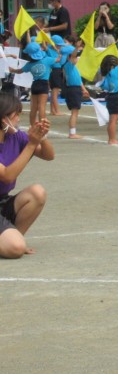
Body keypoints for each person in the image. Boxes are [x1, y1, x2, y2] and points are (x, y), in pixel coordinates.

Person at [0, 93, 54, 258]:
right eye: (16, 114)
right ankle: (11, 241)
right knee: (15, 249)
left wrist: (42, 137)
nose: (18, 118)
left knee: (37, 192)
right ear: (3, 119)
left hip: (2, 200)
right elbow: (7, 176)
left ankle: (15, 236)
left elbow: (48, 155)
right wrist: (31, 143)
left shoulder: (15, 136)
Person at [24, 40, 59, 126]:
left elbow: (19, 71)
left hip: (34, 84)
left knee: (34, 108)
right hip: (43, 84)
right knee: (42, 107)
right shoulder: (46, 60)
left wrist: (11, 69)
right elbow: (59, 60)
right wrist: (57, 50)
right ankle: (41, 127)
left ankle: (32, 127)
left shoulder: (29, 64)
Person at [62, 40, 86, 139]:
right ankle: (72, 132)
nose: (77, 58)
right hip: (73, 89)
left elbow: (79, 80)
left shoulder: (73, 67)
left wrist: (84, 89)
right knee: (74, 112)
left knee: (75, 111)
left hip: (75, 88)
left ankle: (72, 131)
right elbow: (73, 56)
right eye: (76, 56)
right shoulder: (69, 65)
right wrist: (76, 48)